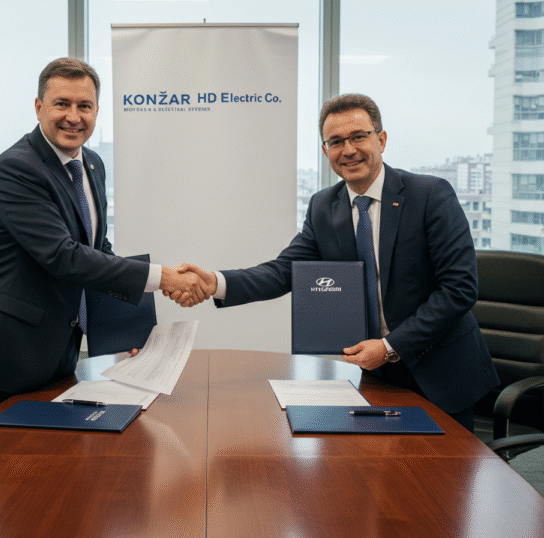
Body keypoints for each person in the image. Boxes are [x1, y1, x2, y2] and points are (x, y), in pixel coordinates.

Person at [171, 93, 499, 432]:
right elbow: (285, 271)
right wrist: (214, 282)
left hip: (440, 372)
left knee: (443, 478)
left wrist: (389, 347)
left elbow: (459, 289)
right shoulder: (324, 207)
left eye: (359, 136)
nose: (349, 149)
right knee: (377, 473)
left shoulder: (430, 195)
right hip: (376, 376)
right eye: (336, 141)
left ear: (381, 139)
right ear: (326, 150)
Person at [0, 58, 210, 419]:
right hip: (8, 354)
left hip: (58, 350)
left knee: (58, 465)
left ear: (96, 111)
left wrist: (129, 332)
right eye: (62, 104)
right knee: (5, 468)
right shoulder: (16, 169)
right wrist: (164, 277)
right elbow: (65, 257)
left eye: (84, 106)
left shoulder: (90, 164)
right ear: (39, 107)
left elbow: (96, 249)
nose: (73, 116)